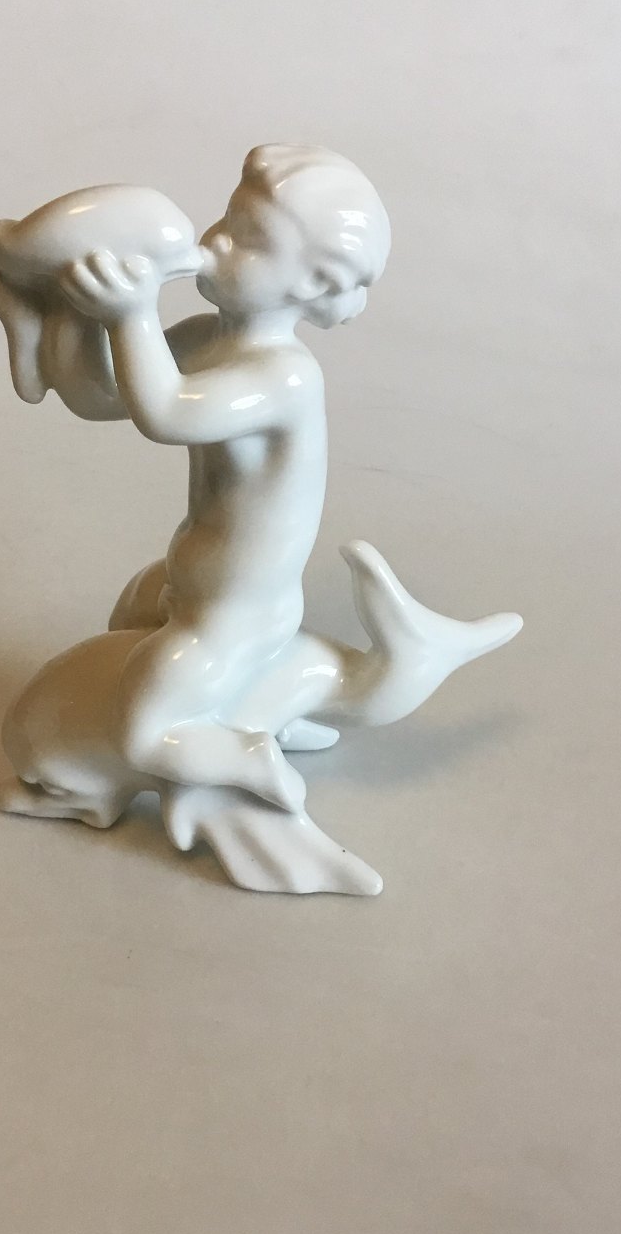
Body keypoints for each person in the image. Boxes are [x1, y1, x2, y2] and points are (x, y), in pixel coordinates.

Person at [59, 144, 391, 811]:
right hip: (185, 584)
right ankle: (252, 709)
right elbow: (99, 396)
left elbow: (168, 412)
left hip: (237, 613)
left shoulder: (285, 376)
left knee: (141, 732)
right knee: (122, 639)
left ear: (311, 284)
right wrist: (73, 312)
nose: (214, 240)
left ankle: (251, 760)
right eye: (227, 218)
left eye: (248, 238)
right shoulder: (206, 337)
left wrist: (130, 315)